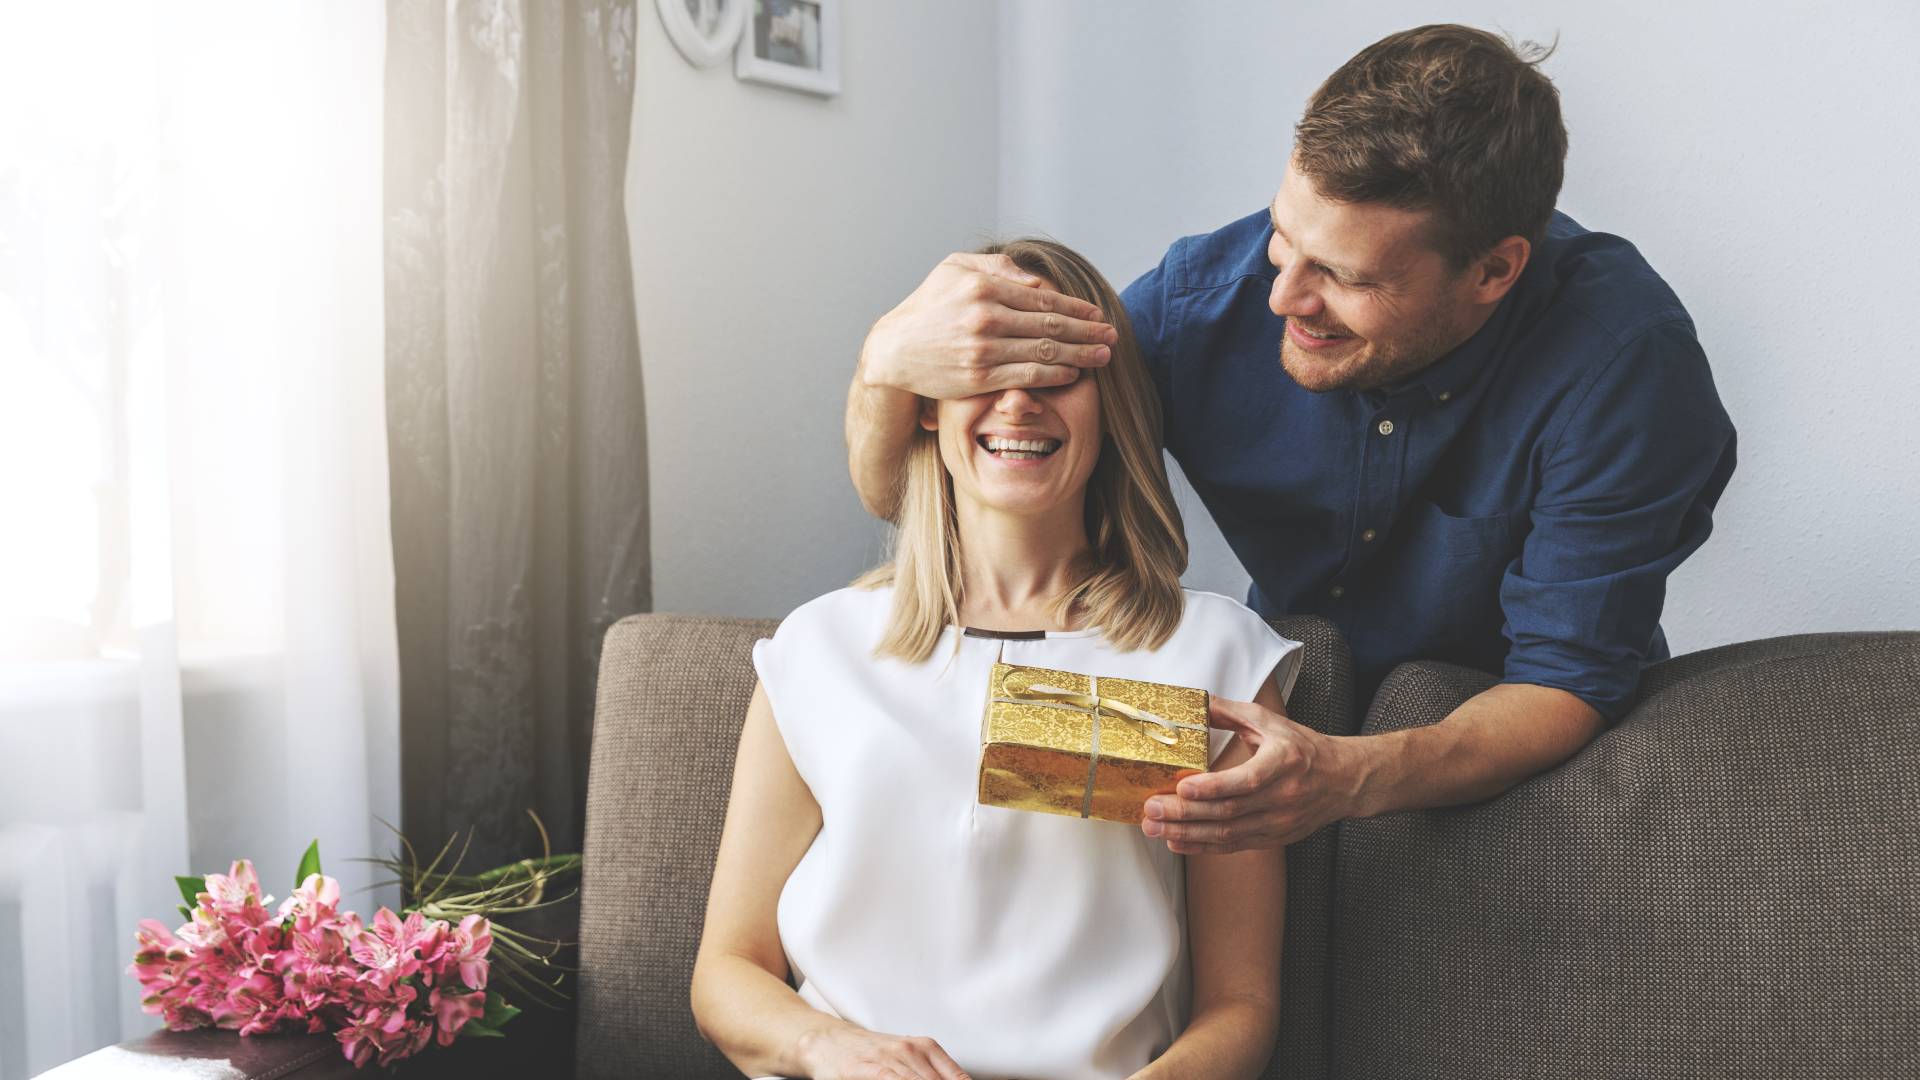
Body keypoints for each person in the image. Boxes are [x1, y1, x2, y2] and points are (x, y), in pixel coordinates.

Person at [845, 24, 1736, 859]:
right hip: (1287, 684)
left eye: (1344, 278)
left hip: (1514, 752)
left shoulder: (1625, 362)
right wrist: (886, 364)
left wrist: (1347, 775)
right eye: (1283, 239)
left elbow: (1568, 678)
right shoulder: (1205, 301)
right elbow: (947, 487)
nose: (1283, 300)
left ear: (1494, 270)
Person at [692, 239, 1306, 1080]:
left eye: (1056, 370)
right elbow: (726, 972)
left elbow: (1241, 1007)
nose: (1019, 402)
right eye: (985, 367)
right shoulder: (822, 649)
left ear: (1111, 406)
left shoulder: (1214, 655)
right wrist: (831, 1049)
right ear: (930, 406)